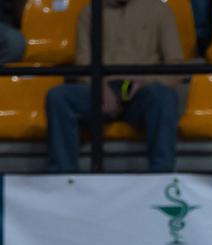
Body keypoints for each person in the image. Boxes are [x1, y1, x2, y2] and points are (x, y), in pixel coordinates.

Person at [46, 0, 184, 173]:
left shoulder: (159, 9)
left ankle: (161, 176)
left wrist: (145, 79)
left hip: (141, 90)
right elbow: (83, 62)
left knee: (164, 97)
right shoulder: (90, 11)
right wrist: (100, 88)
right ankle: (64, 176)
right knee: (59, 97)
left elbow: (176, 65)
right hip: (99, 87)